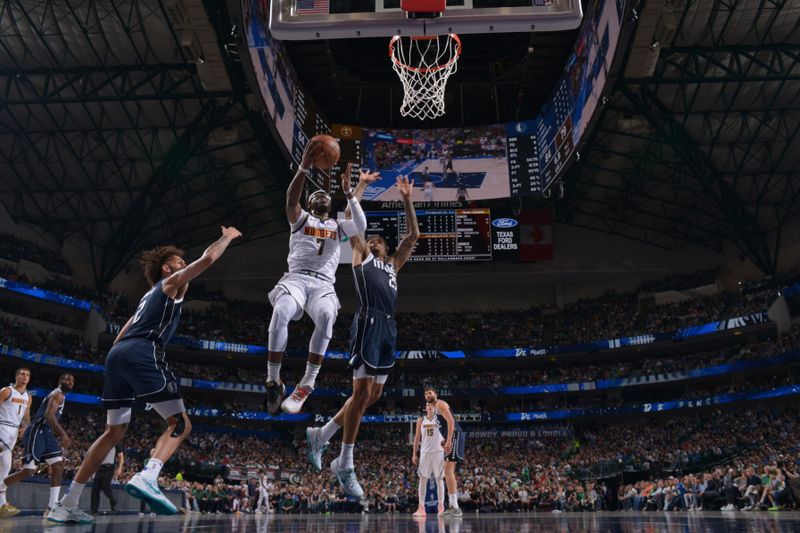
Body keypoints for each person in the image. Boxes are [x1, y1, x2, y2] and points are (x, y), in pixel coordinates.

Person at [48, 226, 242, 524]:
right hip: (142, 350)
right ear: (167, 269)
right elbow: (206, 261)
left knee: (113, 432)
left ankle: (67, 502)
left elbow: (119, 338)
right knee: (181, 424)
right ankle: (149, 475)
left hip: (118, 356)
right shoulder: (169, 285)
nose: (183, 265)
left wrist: (121, 367)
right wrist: (227, 237)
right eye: (179, 262)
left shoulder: (146, 298)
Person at [305, 174, 419, 498]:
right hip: (368, 320)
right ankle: (345, 461)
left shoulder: (394, 264)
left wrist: (407, 198)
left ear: (386, 248)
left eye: (378, 242)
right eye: (371, 241)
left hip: (389, 327)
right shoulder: (361, 254)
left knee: (372, 397)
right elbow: (353, 220)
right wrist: (359, 188)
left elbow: (413, 235)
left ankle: (322, 434)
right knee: (361, 392)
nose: (373, 243)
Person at [265, 142, 371, 416]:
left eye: (327, 196)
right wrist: (303, 167)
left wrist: (349, 193)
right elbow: (290, 200)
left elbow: (360, 225)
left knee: (326, 316)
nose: (323, 197)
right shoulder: (300, 219)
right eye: (318, 196)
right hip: (297, 279)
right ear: (311, 204)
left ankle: (307, 382)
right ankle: (273, 379)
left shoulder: (337, 226)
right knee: (282, 310)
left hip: (323, 284)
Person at [2, 373, 74, 515]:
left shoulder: (61, 396)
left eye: (72, 381)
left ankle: (51, 508)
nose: (70, 382)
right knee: (29, 470)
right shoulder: (57, 394)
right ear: (60, 381)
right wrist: (63, 434)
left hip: (46, 432)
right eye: (67, 379)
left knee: (58, 466)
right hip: (37, 431)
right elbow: (49, 415)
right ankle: (1, 487)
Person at [425, 386, 464, 517]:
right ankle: (453, 506)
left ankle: (455, 508)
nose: (427, 395)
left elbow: (451, 421)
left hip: (455, 436)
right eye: (425, 394)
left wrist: (449, 440)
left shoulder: (440, 404)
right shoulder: (434, 409)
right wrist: (444, 440)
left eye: (429, 392)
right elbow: (444, 426)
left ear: (435, 393)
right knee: (447, 472)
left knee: (448, 471)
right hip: (451, 437)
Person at [0, 367, 31, 518]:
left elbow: (26, 416)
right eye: (22, 374)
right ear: (16, 376)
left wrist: (25, 427)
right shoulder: (6, 391)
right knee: (5, 463)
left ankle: (2, 504)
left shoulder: (28, 396)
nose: (24, 376)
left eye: (27, 375)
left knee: (5, 466)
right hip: (2, 426)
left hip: (14, 432)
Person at [412, 403, 446, 517]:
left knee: (439, 479)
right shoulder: (420, 420)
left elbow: (446, 434)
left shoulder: (440, 419)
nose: (430, 406)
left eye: (432, 405)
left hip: (438, 452)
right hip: (425, 453)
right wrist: (414, 454)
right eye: (427, 405)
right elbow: (417, 438)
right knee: (422, 479)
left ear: (435, 407)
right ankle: (421, 507)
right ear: (425, 407)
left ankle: (441, 506)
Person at [90, 445, 123, 515]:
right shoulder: (103, 441)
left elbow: (121, 456)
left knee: (105, 486)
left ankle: (113, 501)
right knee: (95, 489)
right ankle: (94, 511)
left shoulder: (116, 443)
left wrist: (120, 468)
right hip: (99, 468)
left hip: (109, 468)